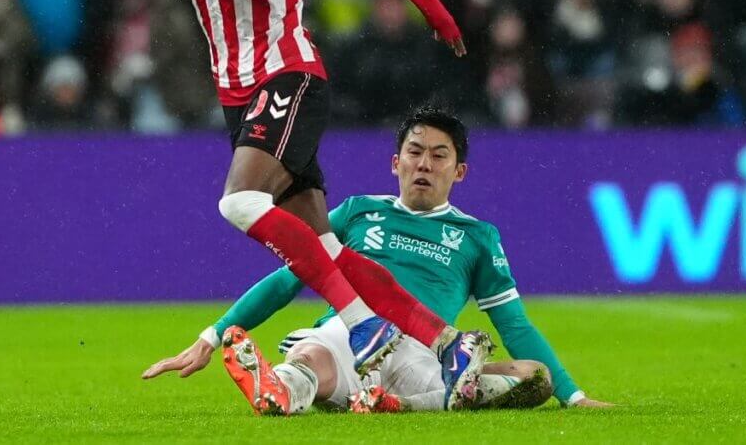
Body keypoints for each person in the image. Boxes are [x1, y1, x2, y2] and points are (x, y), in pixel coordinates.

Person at [144, 0, 485, 408]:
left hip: (290, 70)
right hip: (236, 89)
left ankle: (363, 329)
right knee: (324, 248)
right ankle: (446, 345)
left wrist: (433, 9)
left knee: (240, 202)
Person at [144, 106, 612, 414]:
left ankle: (394, 400)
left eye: (438, 156)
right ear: (395, 163)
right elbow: (289, 279)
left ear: (459, 170)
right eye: (415, 152)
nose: (424, 164)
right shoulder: (356, 212)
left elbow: (515, 326)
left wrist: (574, 395)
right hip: (352, 332)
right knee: (312, 356)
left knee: (535, 377)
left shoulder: (477, 237)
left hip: (427, 354)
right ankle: (283, 390)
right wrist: (213, 335)